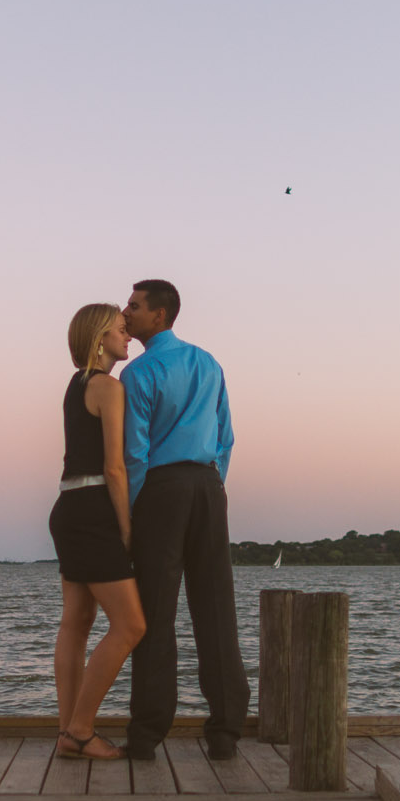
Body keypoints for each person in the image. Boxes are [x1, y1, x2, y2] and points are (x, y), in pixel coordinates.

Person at [119, 279, 248, 761]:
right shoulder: (209, 363)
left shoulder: (139, 373)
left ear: (159, 315)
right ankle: (226, 730)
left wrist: (130, 514)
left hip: (161, 489)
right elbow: (227, 438)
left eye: (133, 306)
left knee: (155, 612)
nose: (125, 313)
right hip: (208, 486)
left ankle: (147, 732)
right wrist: (213, 488)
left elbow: (134, 453)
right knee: (216, 607)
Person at [48, 303, 147, 761]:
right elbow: (114, 466)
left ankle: (69, 730)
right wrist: (126, 528)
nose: (127, 337)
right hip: (92, 511)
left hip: (67, 507)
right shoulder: (108, 387)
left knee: (78, 622)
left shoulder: (75, 385)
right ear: (98, 338)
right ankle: (82, 730)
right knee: (130, 625)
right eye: (120, 330)